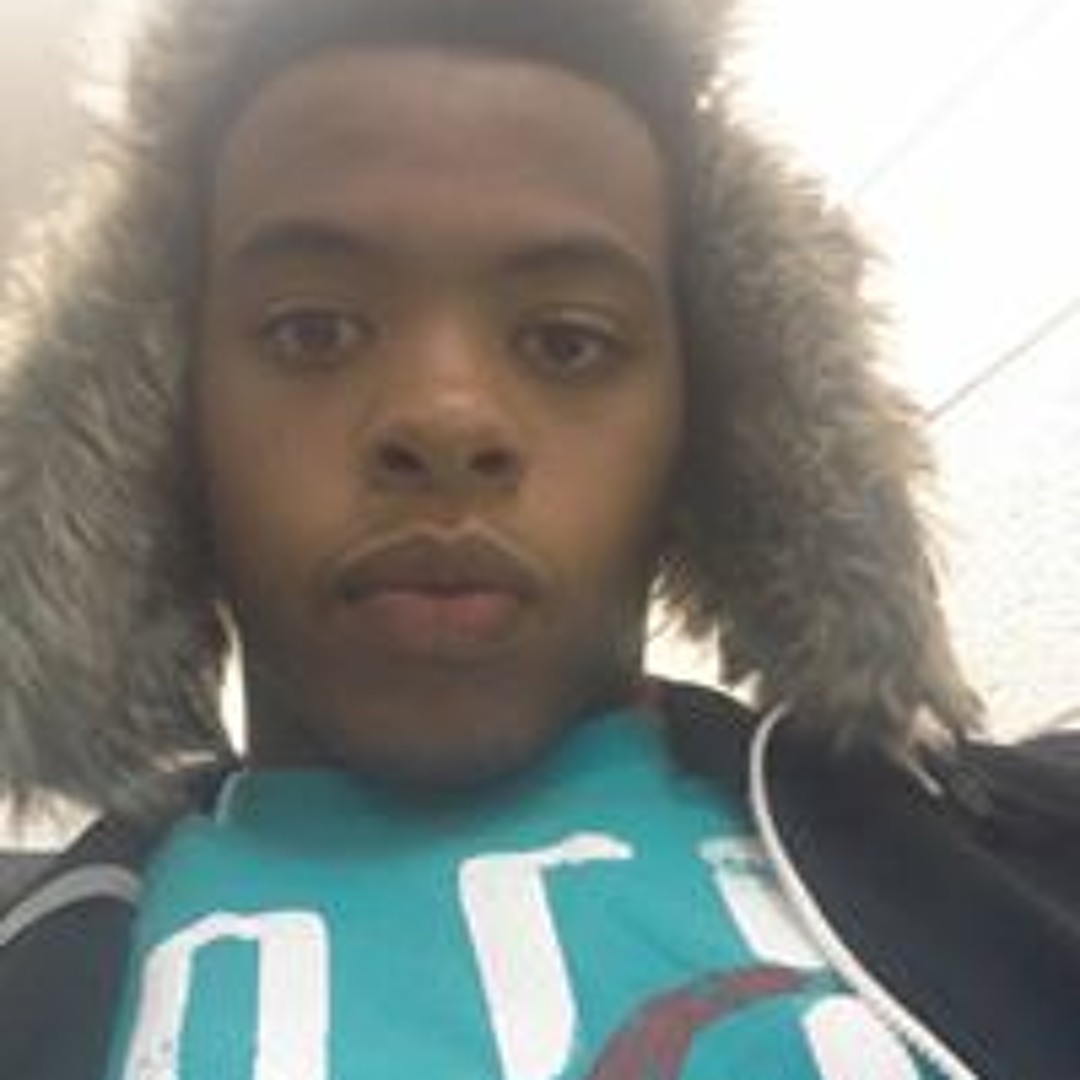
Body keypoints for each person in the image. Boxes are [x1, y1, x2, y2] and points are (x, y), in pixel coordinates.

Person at [0, 0, 1078, 1077]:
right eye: (313, 330)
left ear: (720, 419)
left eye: (567, 341)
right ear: (155, 418)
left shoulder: (1034, 852)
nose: (444, 418)